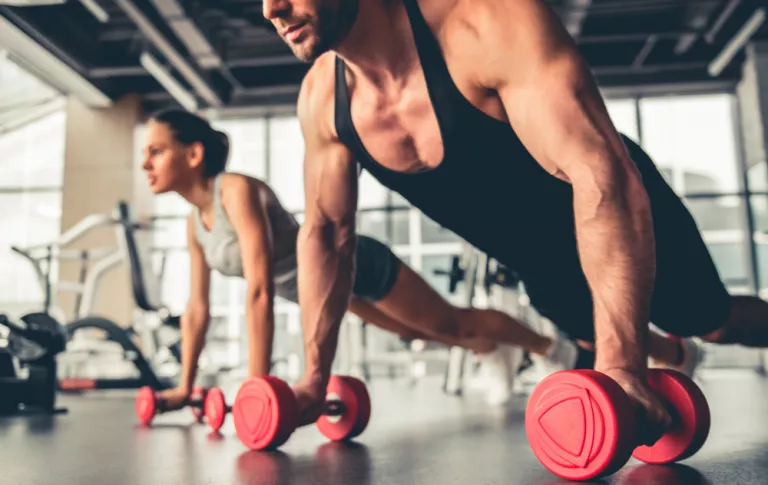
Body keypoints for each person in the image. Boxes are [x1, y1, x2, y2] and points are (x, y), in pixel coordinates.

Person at [265, 0, 768, 444]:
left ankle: (681, 343)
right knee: (589, 336)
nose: (271, 8)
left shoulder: (483, 23)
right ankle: (672, 356)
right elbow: (328, 235)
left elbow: (599, 174)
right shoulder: (322, 101)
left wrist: (621, 366)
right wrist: (313, 379)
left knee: (712, 321)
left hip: (622, 217)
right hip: (540, 269)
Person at [140, 108, 583, 409]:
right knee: (417, 332)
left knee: (451, 323)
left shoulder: (234, 190)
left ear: (194, 154)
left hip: (354, 264)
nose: (145, 164)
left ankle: (551, 347)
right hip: (329, 293)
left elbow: (259, 289)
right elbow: (197, 310)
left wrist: (258, 387)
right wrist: (184, 385)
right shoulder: (194, 225)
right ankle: (490, 351)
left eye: (156, 151)